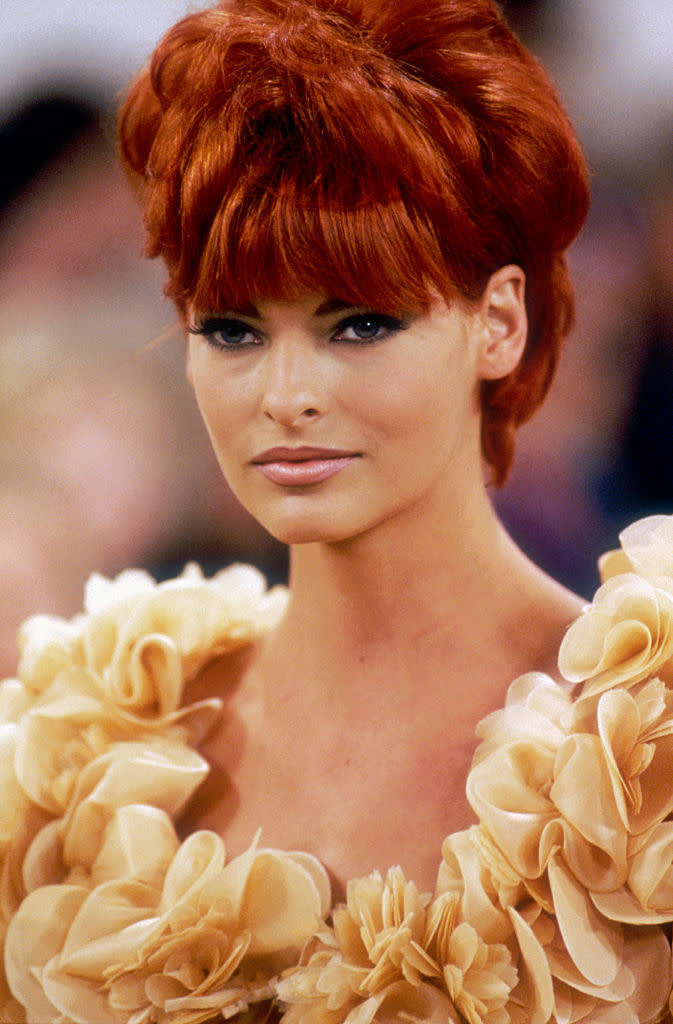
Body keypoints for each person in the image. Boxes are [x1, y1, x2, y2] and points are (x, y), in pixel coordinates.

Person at [2, 1, 673, 1022]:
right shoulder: (82, 753)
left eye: (358, 321)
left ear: (497, 321)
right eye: (229, 328)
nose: (285, 395)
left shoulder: (644, 756)